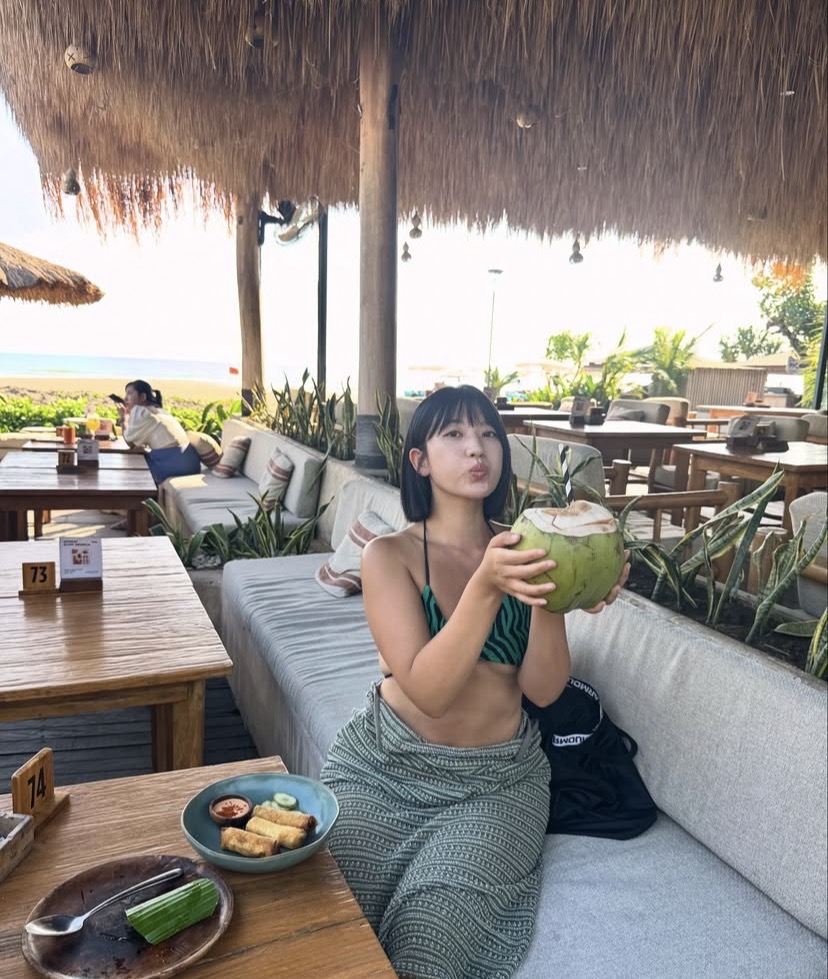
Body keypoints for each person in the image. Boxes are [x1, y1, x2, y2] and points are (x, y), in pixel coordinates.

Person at [321, 385, 629, 979]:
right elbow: (428, 692)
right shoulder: (389, 556)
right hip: (384, 764)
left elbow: (544, 691)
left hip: (497, 782)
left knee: (426, 946)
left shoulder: (526, 546)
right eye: (455, 434)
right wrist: (487, 586)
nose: (477, 448)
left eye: (489, 433)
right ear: (420, 460)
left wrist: (561, 590)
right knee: (326, 923)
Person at [117, 379, 201, 484]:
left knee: (132, 463)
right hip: (192, 464)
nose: (125, 398)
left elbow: (130, 442)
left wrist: (123, 417)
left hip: (174, 466)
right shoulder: (160, 411)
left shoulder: (140, 411)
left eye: (129, 394)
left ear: (142, 397)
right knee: (141, 457)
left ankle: (135, 493)